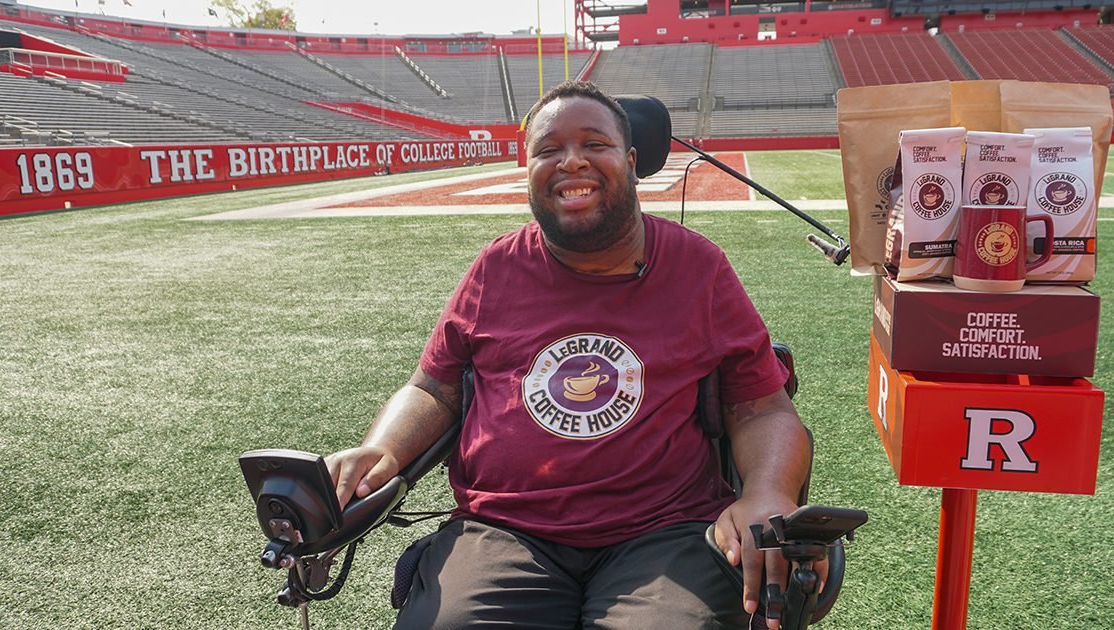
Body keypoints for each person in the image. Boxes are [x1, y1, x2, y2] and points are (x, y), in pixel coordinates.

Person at [325, 81, 816, 629]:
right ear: (529, 169)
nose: (571, 161)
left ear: (630, 162)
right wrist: (381, 450)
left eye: (594, 144)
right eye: (549, 149)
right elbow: (432, 388)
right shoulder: (496, 270)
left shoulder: (697, 268)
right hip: (504, 530)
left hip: (664, 531)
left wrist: (768, 492)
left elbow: (763, 408)